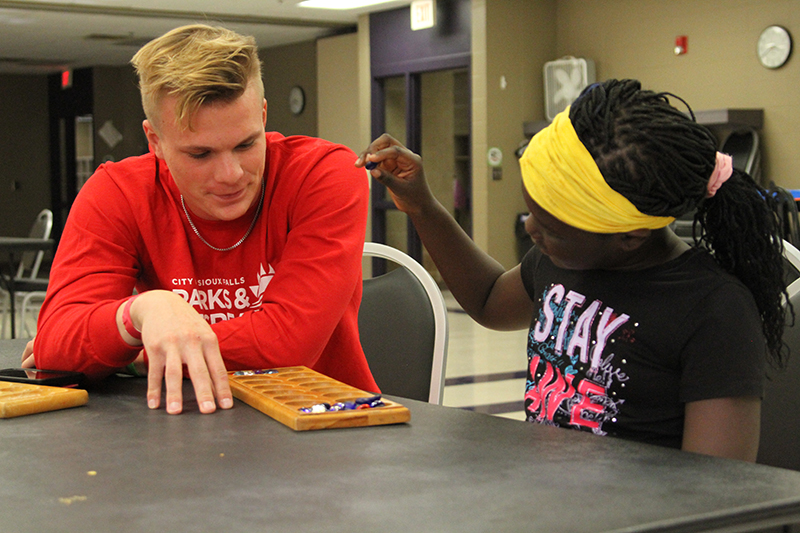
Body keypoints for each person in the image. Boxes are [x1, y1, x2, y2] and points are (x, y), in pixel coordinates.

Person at [356, 79, 790, 461]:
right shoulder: (564, 258)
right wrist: (422, 205)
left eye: (550, 229)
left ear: (631, 235)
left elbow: (715, 492)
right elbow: (489, 300)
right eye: (532, 214)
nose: (530, 230)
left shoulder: (714, 309)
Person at [23, 24, 378, 414]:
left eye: (246, 144)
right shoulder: (118, 192)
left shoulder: (324, 174)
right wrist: (142, 311)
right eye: (200, 154)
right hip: (179, 429)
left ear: (263, 115)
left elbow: (288, 344)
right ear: (154, 141)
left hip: (326, 428)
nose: (231, 175)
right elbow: (55, 348)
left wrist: (134, 351)